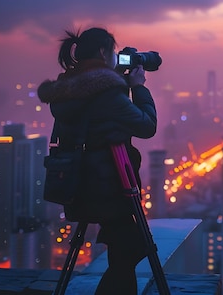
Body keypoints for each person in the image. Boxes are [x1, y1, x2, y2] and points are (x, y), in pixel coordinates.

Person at [38, 27, 157, 294]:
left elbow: (93, 119)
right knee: (132, 247)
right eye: (113, 52)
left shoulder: (70, 89)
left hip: (80, 187)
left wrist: (115, 80)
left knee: (124, 248)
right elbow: (147, 127)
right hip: (109, 188)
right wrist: (138, 88)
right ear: (104, 52)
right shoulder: (106, 93)